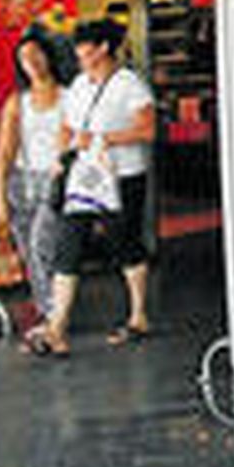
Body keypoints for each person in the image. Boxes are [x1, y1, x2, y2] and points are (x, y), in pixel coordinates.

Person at [33, 18, 156, 358]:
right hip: (83, 177)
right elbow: (67, 126)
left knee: (125, 243)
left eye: (84, 47)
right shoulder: (79, 85)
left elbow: (147, 131)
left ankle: (139, 315)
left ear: (103, 48)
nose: (79, 54)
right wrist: (62, 155)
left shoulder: (129, 84)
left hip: (122, 175)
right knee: (68, 246)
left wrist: (103, 139)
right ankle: (56, 329)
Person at [0, 25, 72, 341]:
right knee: (28, 250)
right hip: (21, 182)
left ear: (49, 57)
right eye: (24, 58)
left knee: (42, 245)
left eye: (37, 54)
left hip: (54, 179)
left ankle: (54, 318)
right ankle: (47, 306)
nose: (32, 62)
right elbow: (5, 152)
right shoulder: (18, 102)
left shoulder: (68, 97)